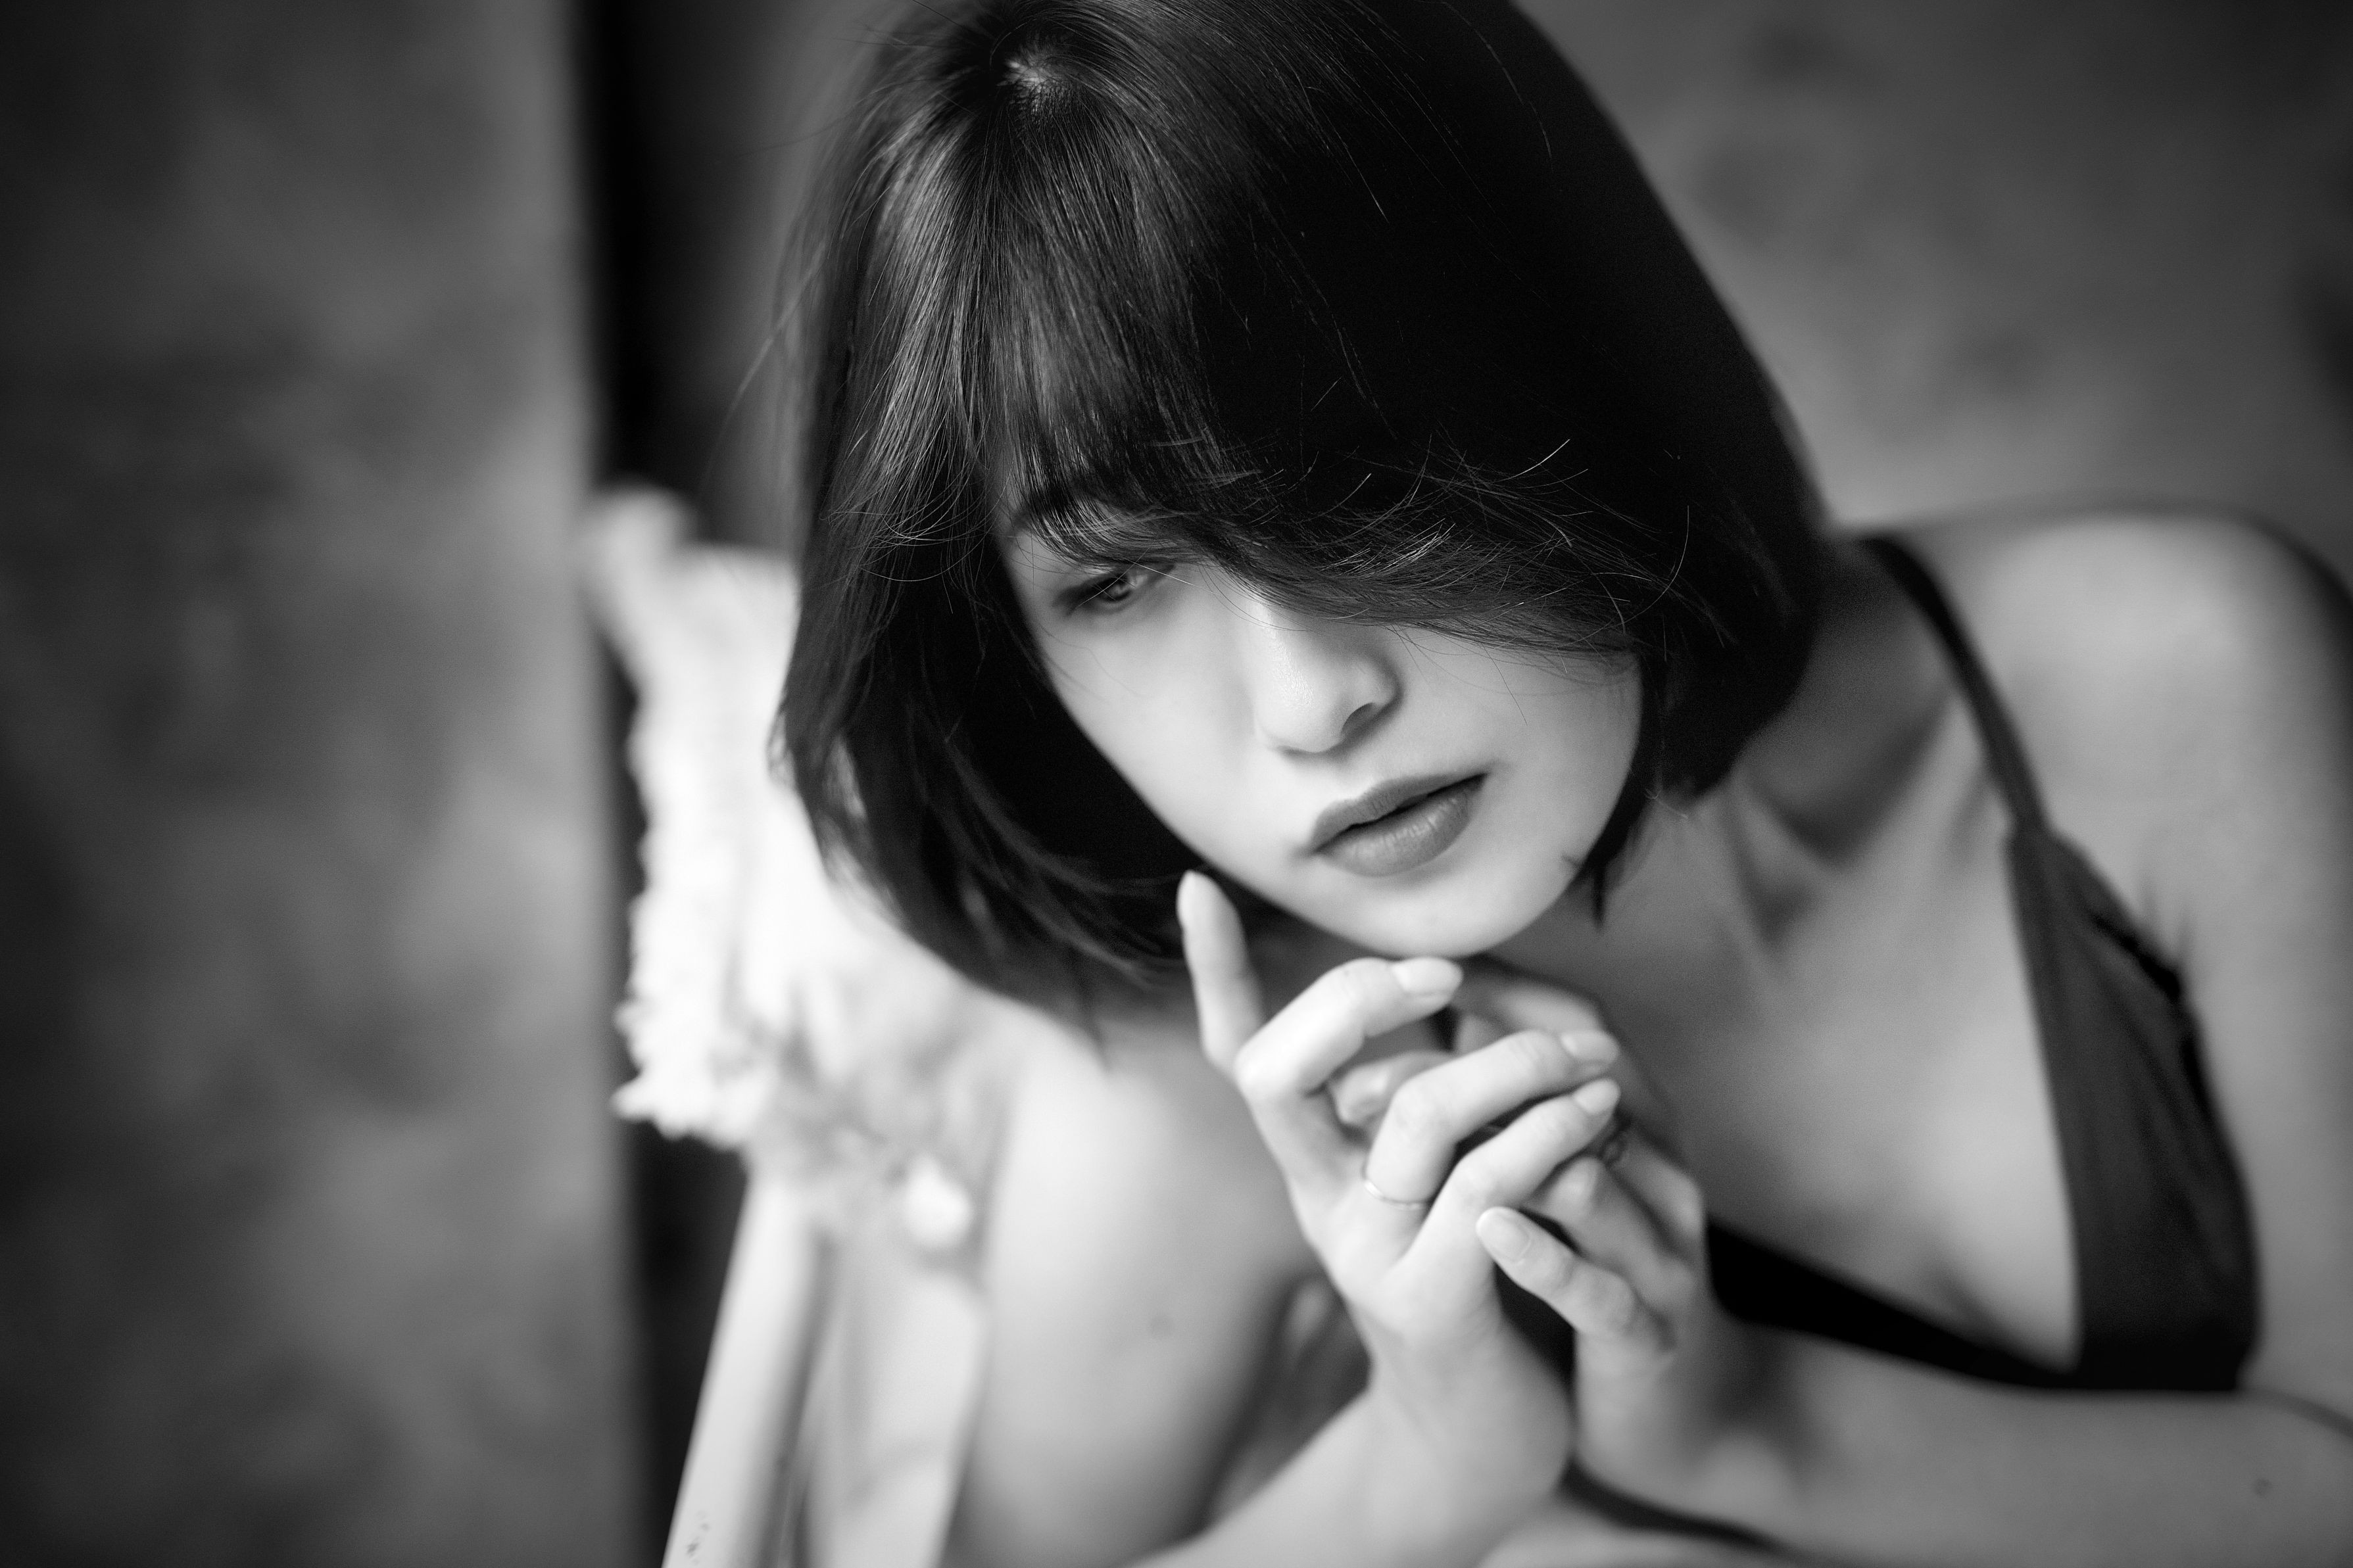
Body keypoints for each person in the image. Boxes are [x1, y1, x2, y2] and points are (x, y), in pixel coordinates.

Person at [773, 0, 2353, 1562]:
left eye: (1351, 476)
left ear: (1580, 364)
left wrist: (1756, 1426)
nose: (1313, 700)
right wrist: (1422, 1460)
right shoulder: (1199, 1092)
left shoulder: (2178, 686)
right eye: (1114, 578)